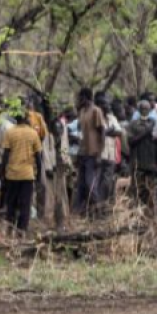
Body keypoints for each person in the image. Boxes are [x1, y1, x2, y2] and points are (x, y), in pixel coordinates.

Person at [0, 110, 43, 233]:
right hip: (27, 175)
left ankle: (9, 229)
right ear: (26, 119)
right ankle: (21, 231)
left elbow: (5, 155)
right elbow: (38, 157)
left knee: (11, 203)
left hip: (12, 174)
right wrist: (39, 175)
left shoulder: (10, 133)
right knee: (25, 205)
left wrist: (2, 173)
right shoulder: (33, 134)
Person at [72, 88, 106, 217]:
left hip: (93, 153)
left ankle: (99, 212)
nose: (79, 100)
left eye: (80, 97)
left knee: (90, 183)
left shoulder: (96, 111)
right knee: (80, 184)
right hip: (82, 153)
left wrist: (99, 153)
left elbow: (102, 131)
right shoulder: (81, 111)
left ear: (85, 97)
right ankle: (82, 212)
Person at [126, 100, 157, 212]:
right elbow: (131, 141)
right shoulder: (133, 124)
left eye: (147, 108)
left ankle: (150, 214)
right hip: (138, 162)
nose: (144, 110)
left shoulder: (155, 122)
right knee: (138, 190)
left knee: (151, 189)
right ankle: (138, 214)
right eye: (142, 108)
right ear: (138, 109)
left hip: (151, 162)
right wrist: (146, 132)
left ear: (150, 110)